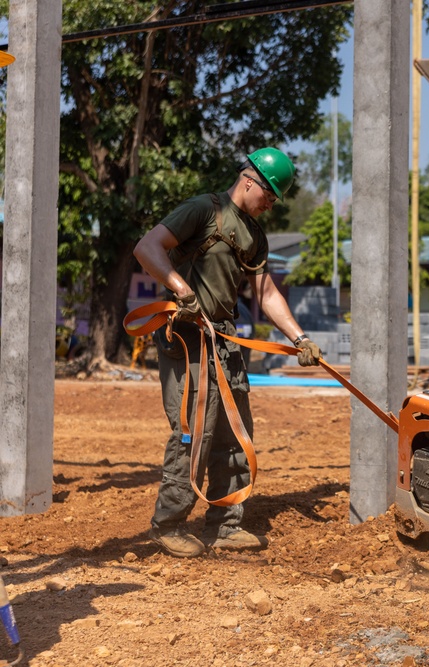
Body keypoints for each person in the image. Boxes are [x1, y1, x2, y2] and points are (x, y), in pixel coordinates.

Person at [133, 147, 322, 559]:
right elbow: (148, 248)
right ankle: (168, 524)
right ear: (249, 179)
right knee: (194, 429)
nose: (271, 204)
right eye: (270, 195)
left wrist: (299, 338)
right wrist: (182, 291)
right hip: (186, 337)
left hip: (224, 339)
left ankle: (224, 524)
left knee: (236, 433)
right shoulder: (203, 210)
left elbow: (266, 293)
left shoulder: (255, 236)